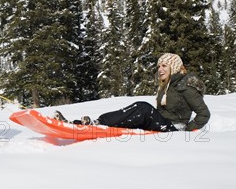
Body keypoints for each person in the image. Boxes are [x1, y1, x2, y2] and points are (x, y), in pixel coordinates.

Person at [55, 53, 210, 132]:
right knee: (132, 116)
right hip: (163, 123)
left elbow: (204, 114)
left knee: (142, 107)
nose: (160, 69)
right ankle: (80, 124)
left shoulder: (186, 87)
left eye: (164, 66)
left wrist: (187, 130)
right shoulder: (168, 85)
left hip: (174, 128)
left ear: (174, 68)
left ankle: (97, 123)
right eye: (159, 66)